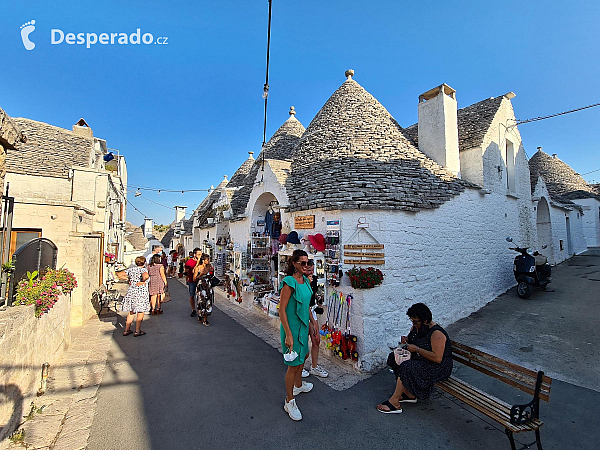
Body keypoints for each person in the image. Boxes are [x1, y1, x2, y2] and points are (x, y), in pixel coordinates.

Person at [376, 303, 453, 414]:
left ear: (425, 320)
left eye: (416, 322)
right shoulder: (418, 327)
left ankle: (394, 403)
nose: (413, 324)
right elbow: (414, 340)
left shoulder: (437, 333)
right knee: (394, 357)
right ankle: (409, 394)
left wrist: (417, 349)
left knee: (407, 366)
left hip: (438, 367)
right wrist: (407, 339)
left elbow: (437, 358)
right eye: (412, 321)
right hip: (423, 360)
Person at [279, 249, 313, 421]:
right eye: (303, 263)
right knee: (293, 364)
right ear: (294, 263)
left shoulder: (305, 281)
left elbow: (306, 305)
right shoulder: (289, 282)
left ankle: (298, 385)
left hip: (303, 326)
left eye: (308, 263)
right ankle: (289, 400)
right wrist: (288, 334)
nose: (306, 266)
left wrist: (313, 323)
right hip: (291, 328)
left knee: (304, 355)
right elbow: (282, 310)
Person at [302, 259, 328, 378]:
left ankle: (314, 366)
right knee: (303, 341)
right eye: (308, 270)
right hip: (302, 311)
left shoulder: (315, 279)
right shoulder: (300, 280)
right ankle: (299, 367)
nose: (310, 272)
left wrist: (317, 297)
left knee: (316, 339)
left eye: (312, 270)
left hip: (311, 309)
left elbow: (312, 294)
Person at [117, 256, 150, 337]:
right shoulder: (143, 269)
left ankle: (126, 330)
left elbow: (119, 275)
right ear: (144, 262)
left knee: (131, 311)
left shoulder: (131, 269)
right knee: (140, 311)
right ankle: (137, 331)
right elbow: (146, 276)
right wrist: (142, 281)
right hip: (140, 292)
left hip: (131, 291)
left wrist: (128, 279)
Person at [193, 253, 213, 326]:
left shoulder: (210, 267)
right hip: (201, 286)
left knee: (208, 301)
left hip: (208, 286)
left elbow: (212, 275)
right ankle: (202, 316)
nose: (209, 261)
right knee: (201, 301)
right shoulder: (198, 268)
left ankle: (205, 317)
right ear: (203, 260)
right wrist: (200, 275)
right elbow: (194, 279)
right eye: (207, 259)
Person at [185, 248, 203, 317]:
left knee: (201, 296)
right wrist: (187, 279)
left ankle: (201, 309)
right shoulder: (189, 262)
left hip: (201, 281)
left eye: (200, 254)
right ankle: (193, 310)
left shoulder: (202, 261)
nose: (200, 256)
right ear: (194, 254)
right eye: (198, 254)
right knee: (192, 295)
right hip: (192, 281)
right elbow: (186, 271)